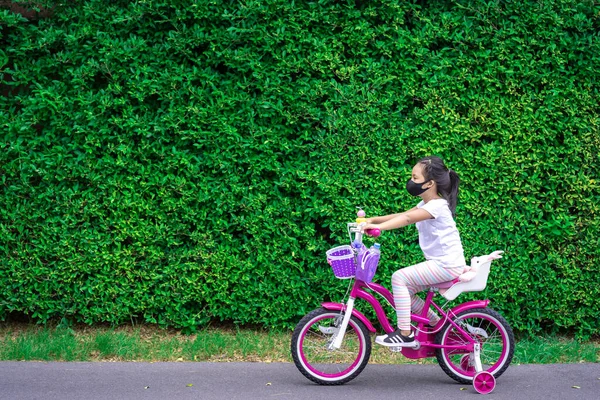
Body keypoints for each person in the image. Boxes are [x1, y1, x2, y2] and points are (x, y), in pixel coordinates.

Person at [362, 156, 466, 347]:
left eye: (415, 178)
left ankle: (405, 333)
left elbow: (408, 219)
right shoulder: (426, 205)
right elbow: (403, 215)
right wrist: (372, 220)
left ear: (430, 184)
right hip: (443, 264)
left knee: (399, 278)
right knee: (406, 290)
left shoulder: (437, 206)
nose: (411, 182)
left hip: (447, 265)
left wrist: (380, 228)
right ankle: (437, 324)